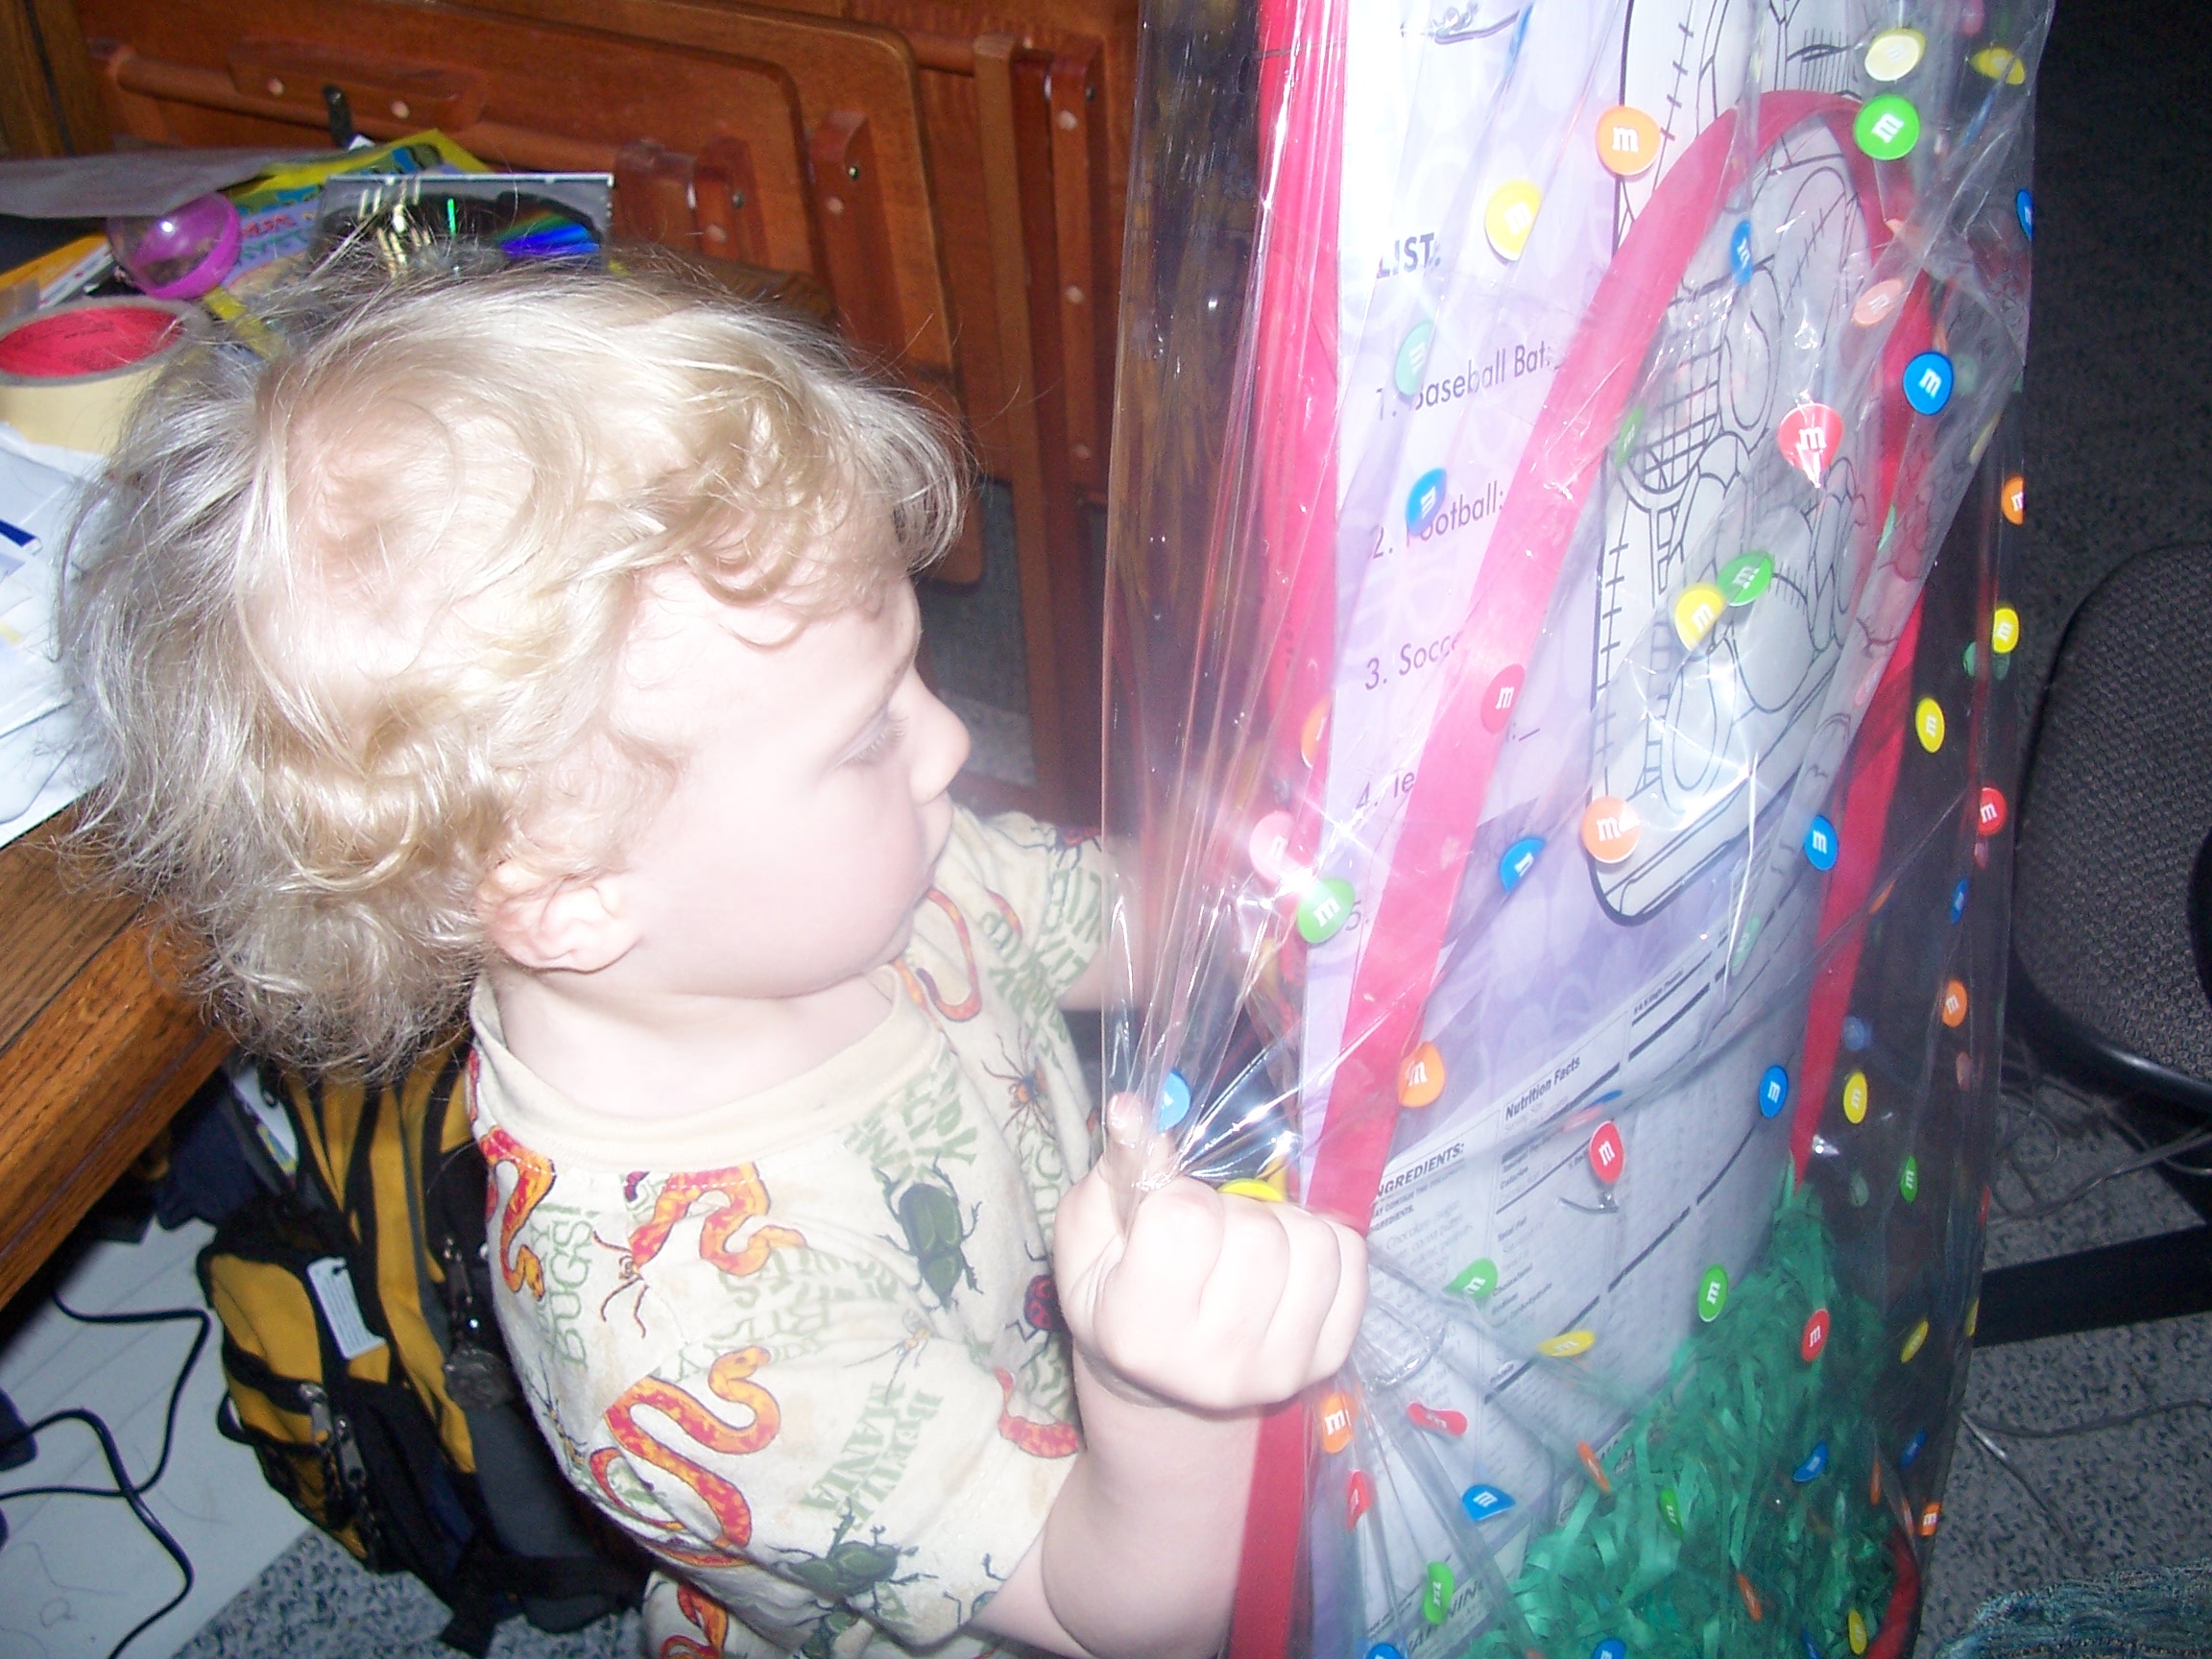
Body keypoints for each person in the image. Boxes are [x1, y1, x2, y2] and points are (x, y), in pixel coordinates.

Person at [60, 264, 1367, 1659]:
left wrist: (1274, 881)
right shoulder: (683, 1331)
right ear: (571, 895)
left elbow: (1114, 919)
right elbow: (1115, 1616)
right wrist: (1169, 1404)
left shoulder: (854, 879)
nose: (951, 745)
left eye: (911, 672)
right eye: (866, 736)